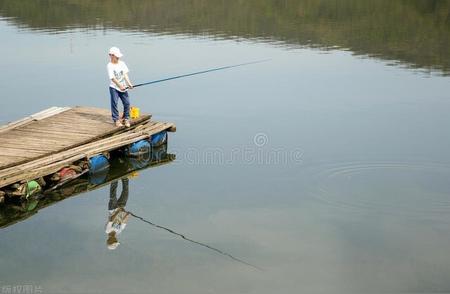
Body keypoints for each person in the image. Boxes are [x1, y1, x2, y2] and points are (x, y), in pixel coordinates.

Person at [107, 47, 134, 127]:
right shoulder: (109, 65)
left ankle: (126, 118)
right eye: (116, 56)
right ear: (111, 55)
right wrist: (119, 86)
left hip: (123, 87)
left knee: (127, 103)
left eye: (118, 57)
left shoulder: (122, 63)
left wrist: (129, 83)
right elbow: (112, 78)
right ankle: (116, 120)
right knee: (114, 103)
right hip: (114, 87)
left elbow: (125, 74)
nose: (118, 58)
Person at [105, 178, 130, 250]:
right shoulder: (119, 231)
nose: (116, 239)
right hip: (121, 208)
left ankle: (114, 179)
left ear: (110, 240)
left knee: (113, 193)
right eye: (116, 241)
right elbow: (124, 222)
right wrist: (127, 215)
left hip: (112, 209)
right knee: (126, 192)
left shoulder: (107, 230)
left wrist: (118, 212)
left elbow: (111, 220)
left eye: (114, 241)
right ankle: (125, 177)